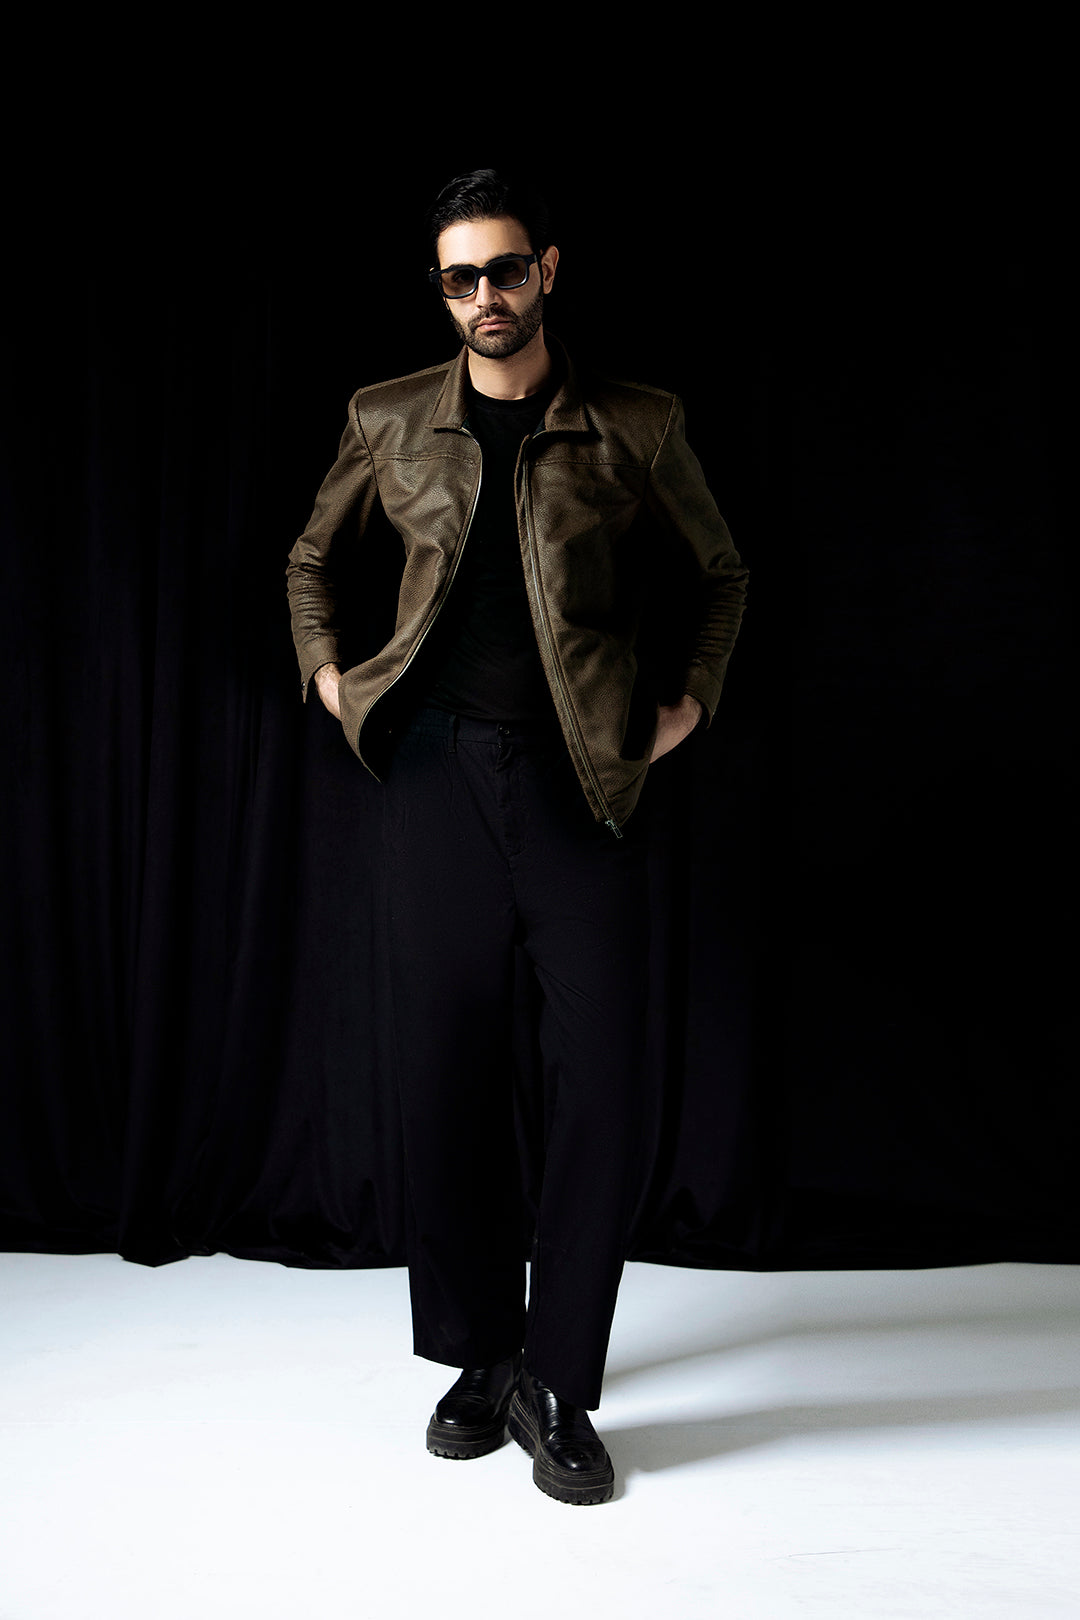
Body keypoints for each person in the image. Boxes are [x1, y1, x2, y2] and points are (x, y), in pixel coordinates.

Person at [286, 168, 747, 1505]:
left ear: (547, 269)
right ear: (441, 292)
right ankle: (480, 1354)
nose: (484, 297)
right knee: (445, 1076)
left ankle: (561, 1378)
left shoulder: (635, 424)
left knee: (602, 1082)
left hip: (581, 783)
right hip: (434, 776)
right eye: (459, 279)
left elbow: (723, 576)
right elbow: (311, 562)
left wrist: (689, 705)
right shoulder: (387, 417)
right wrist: (332, 681)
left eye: (503, 270)